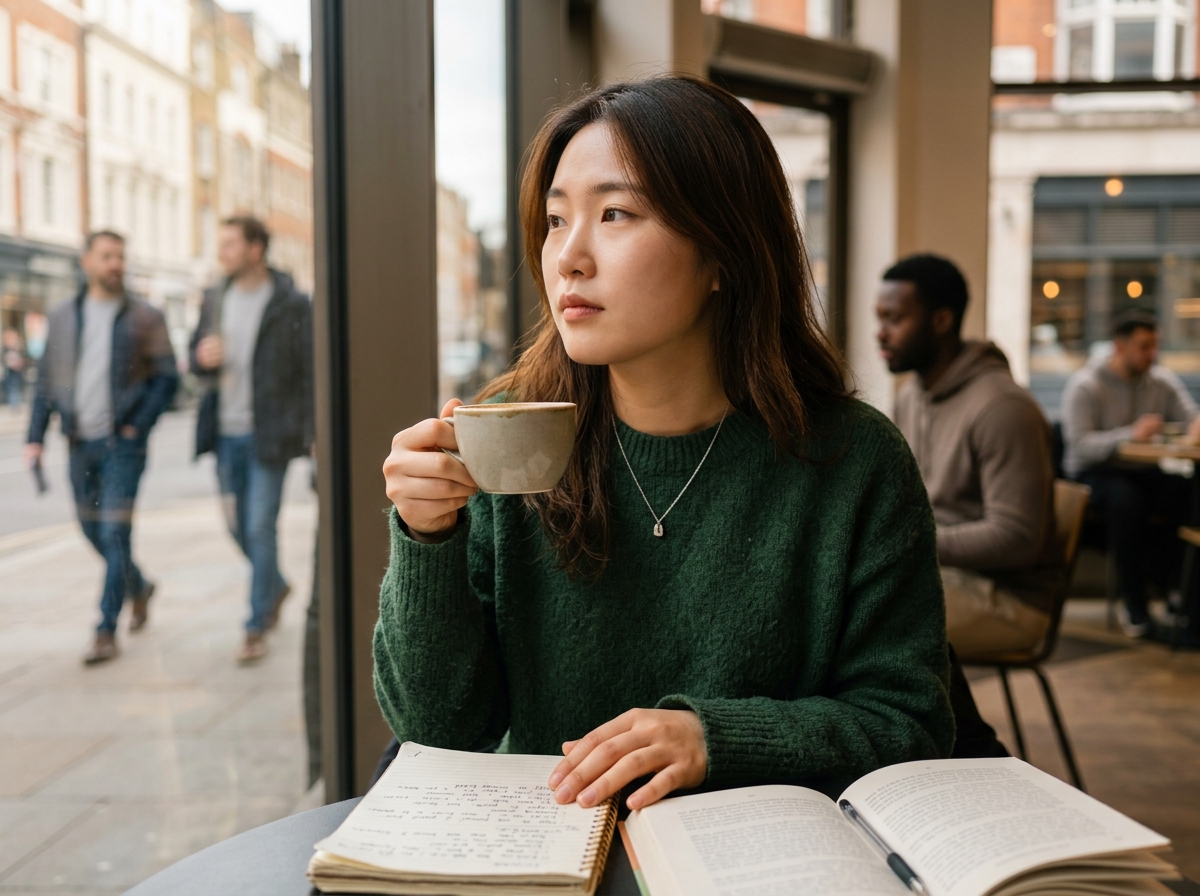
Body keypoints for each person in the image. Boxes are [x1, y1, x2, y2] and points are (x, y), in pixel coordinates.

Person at [378, 76, 955, 813]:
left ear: (724, 250)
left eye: (614, 213)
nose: (569, 259)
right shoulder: (507, 431)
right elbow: (437, 728)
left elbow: (909, 722)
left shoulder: (852, 460)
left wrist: (714, 738)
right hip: (542, 853)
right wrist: (427, 536)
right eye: (556, 221)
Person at [877, 254, 1055, 658]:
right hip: (941, 576)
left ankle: (949, 724)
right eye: (879, 318)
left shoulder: (1003, 408)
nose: (880, 333)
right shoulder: (911, 397)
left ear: (941, 321)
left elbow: (1017, 538)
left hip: (1008, 601)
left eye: (894, 319)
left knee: (852, 625)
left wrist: (908, 542)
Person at [25, 231, 178, 664]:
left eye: (120, 256)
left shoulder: (143, 316)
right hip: (78, 442)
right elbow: (46, 381)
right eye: (106, 256)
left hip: (122, 446)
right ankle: (139, 586)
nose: (115, 264)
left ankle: (105, 628)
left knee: (114, 530)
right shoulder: (62, 316)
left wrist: (137, 426)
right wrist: (34, 438)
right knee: (92, 530)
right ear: (86, 261)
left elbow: (166, 378)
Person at [190, 216, 313, 664]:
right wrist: (201, 357)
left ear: (256, 249)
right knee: (236, 526)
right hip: (225, 435)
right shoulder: (214, 298)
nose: (222, 252)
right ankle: (275, 583)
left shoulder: (291, 303)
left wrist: (313, 430)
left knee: (260, 525)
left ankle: (255, 624)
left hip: (268, 437)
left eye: (230, 244)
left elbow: (308, 370)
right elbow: (194, 355)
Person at [1062, 311, 1200, 636]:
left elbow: (1191, 416)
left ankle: (1183, 597)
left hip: (1144, 471)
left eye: (1155, 346)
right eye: (1144, 346)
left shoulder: (1161, 381)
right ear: (1119, 347)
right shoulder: (1086, 386)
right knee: (1127, 501)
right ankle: (1135, 606)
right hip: (1094, 473)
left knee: (1187, 492)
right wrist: (1129, 434)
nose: (1152, 354)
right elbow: (1080, 448)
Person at [3, 328, 25, 407]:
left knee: (17, 387)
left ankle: (16, 403)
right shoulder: (7, 349)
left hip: (17, 371)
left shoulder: (18, 348)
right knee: (13, 388)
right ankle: (14, 404)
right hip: (11, 371)